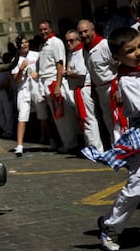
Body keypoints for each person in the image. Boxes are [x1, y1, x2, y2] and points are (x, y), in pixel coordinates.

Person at [82, 26, 140, 251]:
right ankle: (110, 226)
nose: (139, 53)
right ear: (117, 58)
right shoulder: (126, 81)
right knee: (137, 186)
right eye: (131, 51)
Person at [77, 19, 128, 143]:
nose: (83, 35)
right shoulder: (85, 50)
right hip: (100, 91)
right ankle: (116, 148)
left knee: (119, 120)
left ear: (93, 30)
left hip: (113, 88)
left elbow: (120, 65)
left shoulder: (105, 45)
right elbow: (92, 70)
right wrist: (94, 89)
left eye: (85, 31)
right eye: (80, 33)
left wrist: (119, 89)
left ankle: (126, 149)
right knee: (108, 121)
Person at [37, 20, 80, 153]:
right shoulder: (42, 46)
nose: (43, 32)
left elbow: (59, 65)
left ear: (50, 29)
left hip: (55, 82)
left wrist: (58, 86)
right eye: (41, 30)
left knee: (64, 115)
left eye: (45, 29)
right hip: (46, 83)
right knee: (57, 117)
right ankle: (66, 142)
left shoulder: (56, 42)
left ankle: (71, 143)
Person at [64, 30, 104, 153]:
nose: (68, 43)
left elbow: (81, 73)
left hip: (84, 88)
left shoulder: (82, 52)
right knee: (84, 120)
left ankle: (96, 149)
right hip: (77, 90)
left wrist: (69, 73)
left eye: (71, 40)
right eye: (67, 41)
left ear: (78, 40)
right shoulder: (72, 53)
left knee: (89, 119)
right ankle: (90, 147)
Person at [11, 34, 50, 156]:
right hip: (23, 89)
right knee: (22, 116)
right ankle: (20, 145)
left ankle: (51, 139)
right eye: (22, 43)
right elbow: (15, 79)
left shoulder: (36, 55)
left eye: (26, 42)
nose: (25, 45)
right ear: (18, 46)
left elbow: (43, 71)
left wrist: (36, 75)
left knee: (42, 115)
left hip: (36, 87)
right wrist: (21, 69)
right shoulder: (15, 60)